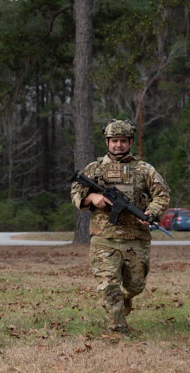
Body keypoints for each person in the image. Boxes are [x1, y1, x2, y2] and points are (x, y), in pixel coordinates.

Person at [70, 119, 170, 334]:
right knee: (108, 285)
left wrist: (151, 212)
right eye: (114, 140)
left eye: (123, 141)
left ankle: (121, 301)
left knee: (135, 285)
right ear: (107, 142)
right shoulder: (95, 169)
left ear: (130, 142)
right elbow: (76, 192)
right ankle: (118, 327)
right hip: (104, 239)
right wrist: (93, 198)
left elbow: (161, 194)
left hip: (136, 238)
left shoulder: (144, 170)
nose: (118, 145)